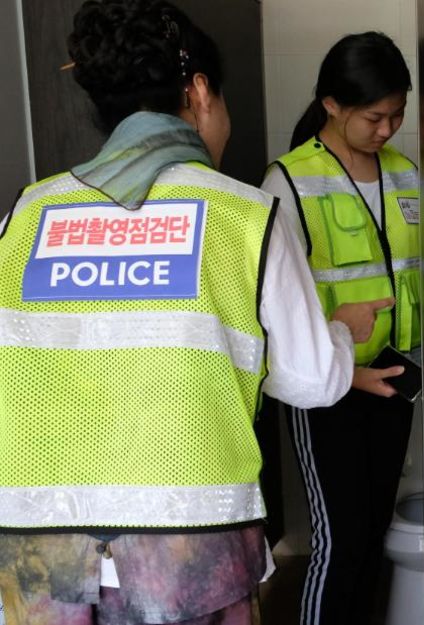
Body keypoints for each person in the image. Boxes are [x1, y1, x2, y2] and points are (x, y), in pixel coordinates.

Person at [0, 1, 388, 623]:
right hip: (189, 548)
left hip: (38, 551)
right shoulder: (243, 216)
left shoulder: (23, 216)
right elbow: (313, 379)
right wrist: (342, 333)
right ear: (200, 92)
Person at [260, 31, 420, 625]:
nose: (387, 130)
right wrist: (347, 372)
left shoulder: (406, 174)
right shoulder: (289, 182)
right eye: (374, 116)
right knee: (340, 541)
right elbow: (273, 315)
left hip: (395, 379)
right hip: (327, 386)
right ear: (331, 103)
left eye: (397, 115)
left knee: (373, 531)